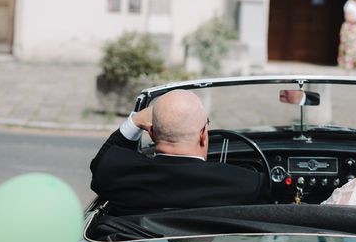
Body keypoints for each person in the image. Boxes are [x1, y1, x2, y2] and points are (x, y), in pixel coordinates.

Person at [90, 90, 267, 215]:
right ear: (203, 135)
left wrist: (135, 120)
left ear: (151, 134)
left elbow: (102, 163)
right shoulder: (247, 183)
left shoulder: (118, 175)